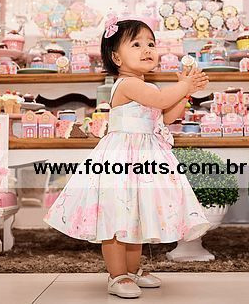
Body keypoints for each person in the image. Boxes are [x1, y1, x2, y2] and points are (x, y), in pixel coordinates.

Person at [44, 18, 211, 299]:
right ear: (117, 57)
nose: (147, 49)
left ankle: (132, 271)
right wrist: (184, 85)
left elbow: (167, 116)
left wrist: (187, 94)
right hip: (121, 158)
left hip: (144, 157)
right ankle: (117, 275)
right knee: (115, 217)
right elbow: (161, 101)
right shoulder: (126, 84)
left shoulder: (149, 87)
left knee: (135, 216)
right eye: (136, 44)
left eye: (151, 44)